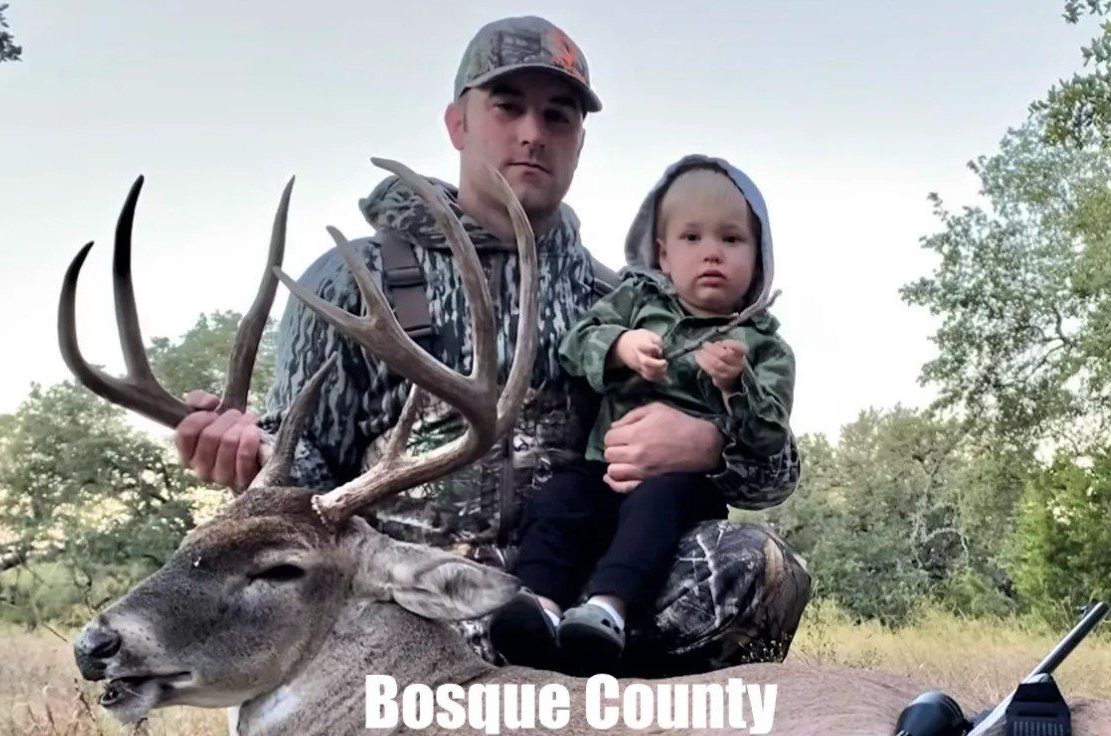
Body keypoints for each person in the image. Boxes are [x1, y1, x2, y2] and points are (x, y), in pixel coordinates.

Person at [173, 16, 810, 676]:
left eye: (557, 116)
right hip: (415, 592)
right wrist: (250, 452)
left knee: (754, 563)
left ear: (578, 142)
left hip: (575, 591)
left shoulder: (623, 300)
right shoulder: (351, 279)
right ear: (458, 124)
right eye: (507, 107)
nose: (532, 132)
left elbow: (773, 477)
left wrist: (709, 443)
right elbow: (306, 473)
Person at [489, 158, 795, 675]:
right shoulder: (630, 301)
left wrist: (733, 392)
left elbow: (771, 439)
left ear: (759, 258)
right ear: (663, 255)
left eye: (732, 240)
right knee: (561, 500)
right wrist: (620, 346)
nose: (712, 253)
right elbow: (576, 345)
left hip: (680, 488)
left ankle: (607, 611)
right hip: (600, 472)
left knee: (658, 510)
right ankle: (539, 606)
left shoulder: (766, 348)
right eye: (692, 237)